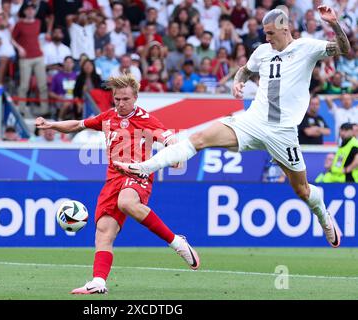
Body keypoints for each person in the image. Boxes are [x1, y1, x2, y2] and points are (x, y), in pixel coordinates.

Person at [114, 6, 351, 249]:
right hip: (253, 122)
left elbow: (344, 48)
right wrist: (238, 83)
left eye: (270, 33)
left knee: (302, 189)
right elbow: (245, 71)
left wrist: (333, 23)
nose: (266, 38)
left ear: (284, 28)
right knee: (199, 138)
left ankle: (322, 214)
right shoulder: (262, 51)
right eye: (264, 33)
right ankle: (144, 167)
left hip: (283, 132)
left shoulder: (306, 48)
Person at [35, 73, 200, 295]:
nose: (121, 104)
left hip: (137, 175)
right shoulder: (107, 117)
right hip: (113, 179)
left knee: (126, 202)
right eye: (117, 99)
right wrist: (51, 124)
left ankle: (177, 242)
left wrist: (173, 146)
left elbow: (167, 137)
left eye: (125, 99)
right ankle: (98, 281)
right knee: (103, 232)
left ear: (135, 98)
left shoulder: (146, 119)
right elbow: (77, 125)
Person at [12, 2, 49, 117]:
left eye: (32, 9)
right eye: (28, 9)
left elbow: (41, 36)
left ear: (34, 11)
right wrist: (19, 48)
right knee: (24, 85)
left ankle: (44, 110)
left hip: (38, 56)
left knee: (42, 85)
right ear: (24, 11)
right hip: (25, 58)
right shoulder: (19, 24)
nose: (30, 11)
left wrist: (41, 47)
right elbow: (12, 38)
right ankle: (21, 109)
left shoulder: (38, 22)